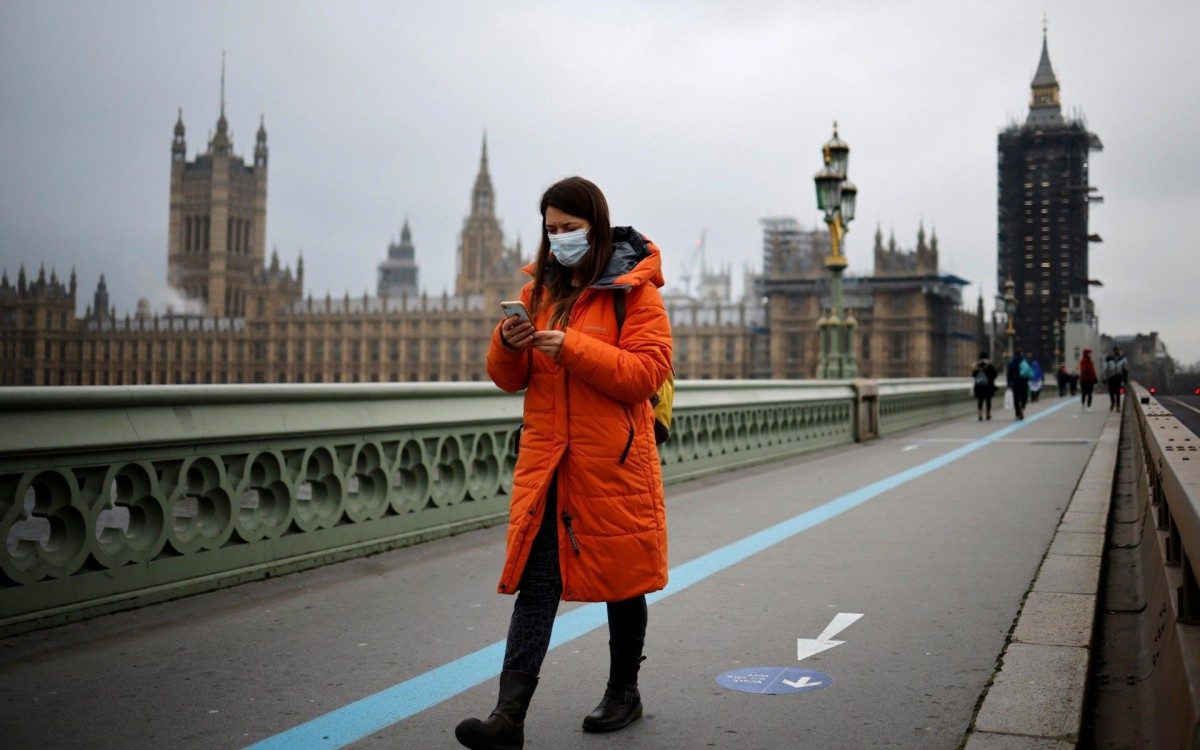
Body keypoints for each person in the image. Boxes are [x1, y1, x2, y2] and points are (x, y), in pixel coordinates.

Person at [456, 177, 673, 750]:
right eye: (551, 230)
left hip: (613, 464)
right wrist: (509, 339)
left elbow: (647, 375)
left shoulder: (635, 291)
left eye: (569, 229)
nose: (559, 240)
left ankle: (623, 691)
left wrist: (570, 347)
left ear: (595, 228)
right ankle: (508, 717)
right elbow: (508, 378)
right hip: (550, 464)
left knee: (622, 581)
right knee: (538, 582)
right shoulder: (540, 292)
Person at [972, 352, 999, 421]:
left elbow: (973, 375)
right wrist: (990, 379)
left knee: (980, 400)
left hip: (978, 386)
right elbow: (995, 374)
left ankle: (980, 414)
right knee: (988, 400)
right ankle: (988, 414)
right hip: (988, 386)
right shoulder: (989, 365)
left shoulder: (976, 365)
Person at [1007, 348, 1030, 420]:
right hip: (1024, 382)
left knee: (1016, 398)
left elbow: (1009, 374)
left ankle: (1017, 413)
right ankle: (1022, 408)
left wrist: (1009, 383)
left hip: (1015, 383)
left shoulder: (1011, 363)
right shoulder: (1025, 361)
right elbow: (1028, 372)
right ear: (1021, 354)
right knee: (1024, 397)